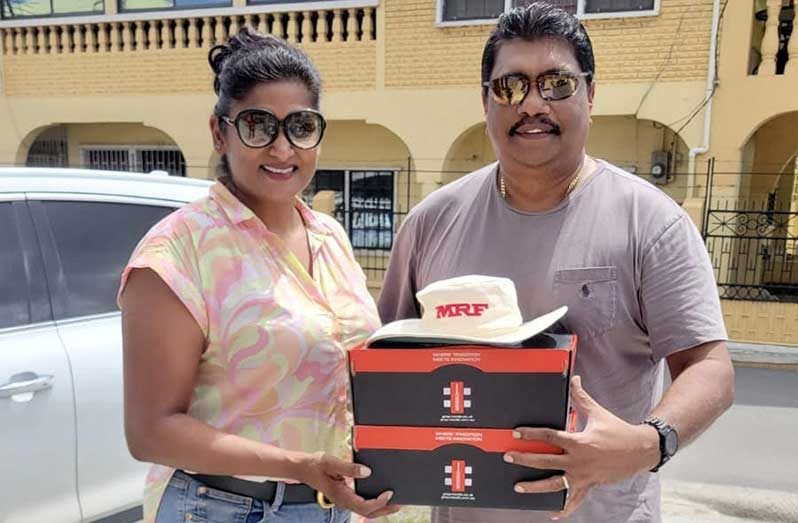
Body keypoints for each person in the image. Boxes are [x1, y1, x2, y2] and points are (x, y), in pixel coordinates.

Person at [378, 4, 734, 523]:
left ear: (590, 94)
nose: (532, 104)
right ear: (485, 101)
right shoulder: (432, 222)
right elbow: (388, 364)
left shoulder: (649, 222)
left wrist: (644, 444)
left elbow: (710, 368)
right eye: (510, 87)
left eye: (557, 84)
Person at [119, 28, 398, 523]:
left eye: (301, 126)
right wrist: (300, 466)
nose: (282, 148)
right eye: (258, 125)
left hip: (327, 509)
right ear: (219, 131)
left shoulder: (330, 237)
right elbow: (151, 431)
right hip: (222, 508)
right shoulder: (178, 252)